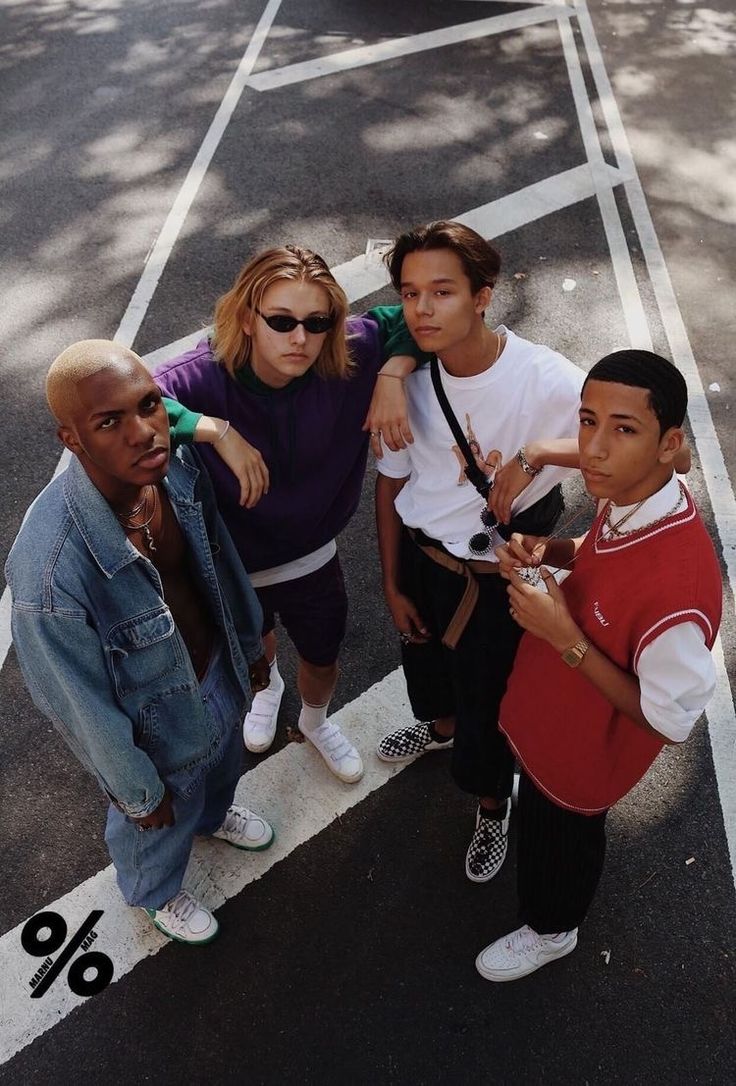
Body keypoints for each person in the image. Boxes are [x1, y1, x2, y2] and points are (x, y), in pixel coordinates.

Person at [6, 341, 274, 945]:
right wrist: (135, 791)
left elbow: (218, 560)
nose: (144, 433)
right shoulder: (49, 571)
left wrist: (250, 646)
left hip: (219, 675)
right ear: (71, 439)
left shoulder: (173, 466)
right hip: (154, 731)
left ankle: (212, 817)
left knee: (221, 773)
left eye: (149, 405)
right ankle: (156, 892)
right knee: (157, 825)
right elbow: (76, 702)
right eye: (110, 422)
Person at [475, 349, 722, 981]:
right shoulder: (635, 493)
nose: (594, 448)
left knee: (561, 846)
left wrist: (566, 638)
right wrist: (548, 548)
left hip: (582, 761)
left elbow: (669, 721)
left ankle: (552, 929)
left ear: (670, 444)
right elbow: (593, 548)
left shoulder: (683, 594)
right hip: (551, 720)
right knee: (536, 815)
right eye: (588, 421)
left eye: (623, 428)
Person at [154, 245, 427, 782]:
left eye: (316, 321)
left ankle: (315, 720)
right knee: (257, 644)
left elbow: (412, 318)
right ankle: (268, 686)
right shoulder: (203, 376)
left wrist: (394, 374)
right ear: (247, 319)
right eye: (281, 321)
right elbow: (125, 403)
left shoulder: (347, 354)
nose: (300, 338)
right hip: (235, 562)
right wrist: (215, 429)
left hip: (312, 557)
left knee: (323, 654)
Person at [374, 220, 586, 883]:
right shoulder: (407, 382)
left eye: (442, 292)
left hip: (493, 578)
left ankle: (493, 803)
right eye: (411, 295)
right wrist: (391, 581)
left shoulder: (546, 379)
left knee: (487, 701)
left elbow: (651, 452)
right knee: (428, 669)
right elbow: (391, 482)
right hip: (421, 557)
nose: (424, 309)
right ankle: (437, 731)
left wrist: (538, 453)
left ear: (484, 295)